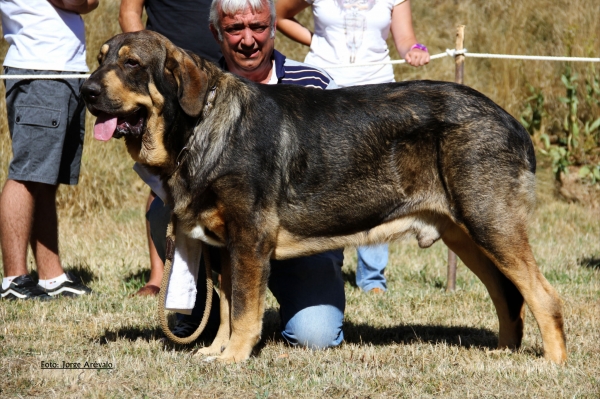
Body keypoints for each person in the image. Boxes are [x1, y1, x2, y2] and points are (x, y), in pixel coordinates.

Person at [144, 0, 346, 349]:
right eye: (235, 29)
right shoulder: (191, 91)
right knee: (165, 205)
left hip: (299, 236)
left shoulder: (312, 83)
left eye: (258, 27)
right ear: (216, 33)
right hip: (217, 238)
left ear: (273, 27)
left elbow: (330, 175)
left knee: (316, 337)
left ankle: (269, 307)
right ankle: (198, 306)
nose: (248, 39)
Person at [276, 0, 429, 293]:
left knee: (377, 184)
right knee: (320, 181)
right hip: (322, 93)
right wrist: (316, 40)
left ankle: (372, 278)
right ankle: (322, 261)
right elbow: (279, 15)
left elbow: (406, 39)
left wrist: (414, 50)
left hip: (378, 95)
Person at [119, 0, 222, 296]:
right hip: (164, 80)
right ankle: (158, 275)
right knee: (162, 180)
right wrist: (148, 64)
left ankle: (216, 273)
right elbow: (128, 11)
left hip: (217, 74)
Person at [0, 0, 97, 300]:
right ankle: (14, 279)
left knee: (44, 178)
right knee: (28, 174)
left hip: (59, 68)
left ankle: (51, 276)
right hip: (40, 68)